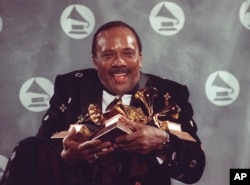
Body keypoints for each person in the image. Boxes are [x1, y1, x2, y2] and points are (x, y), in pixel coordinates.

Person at [0, 20, 205, 185]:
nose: (119, 62)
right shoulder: (71, 87)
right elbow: (41, 153)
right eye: (108, 55)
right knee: (28, 148)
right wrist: (67, 157)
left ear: (140, 58)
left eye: (128, 53)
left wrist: (163, 143)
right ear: (94, 61)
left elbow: (194, 169)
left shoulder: (168, 95)